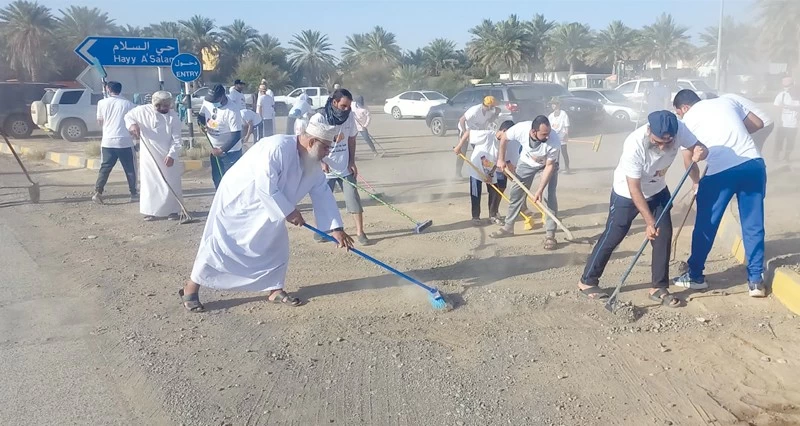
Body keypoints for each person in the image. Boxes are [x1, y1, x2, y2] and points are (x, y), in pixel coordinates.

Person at [179, 122, 355, 312]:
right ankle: (191, 288)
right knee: (221, 243)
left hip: (272, 206)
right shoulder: (277, 147)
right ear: (312, 141)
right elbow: (265, 185)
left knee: (275, 244)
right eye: (326, 147)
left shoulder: (311, 161)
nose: (328, 152)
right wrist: (289, 211)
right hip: (242, 201)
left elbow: (321, 191)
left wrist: (335, 229)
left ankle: (274, 290)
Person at [577, 111, 707, 305]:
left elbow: (699, 147)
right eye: (657, 142)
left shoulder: (680, 128)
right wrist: (649, 222)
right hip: (627, 193)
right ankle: (587, 281)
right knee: (614, 234)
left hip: (658, 189)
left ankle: (659, 287)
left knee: (663, 235)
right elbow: (634, 189)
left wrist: (701, 151)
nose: (663, 146)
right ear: (648, 131)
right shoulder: (634, 144)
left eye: (668, 142)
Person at [672, 90, 768, 297]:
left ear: (684, 108)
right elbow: (758, 123)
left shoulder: (687, 120)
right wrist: (733, 135)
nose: (680, 116)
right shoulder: (726, 101)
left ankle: (695, 275)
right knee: (753, 224)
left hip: (720, 173)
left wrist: (696, 183)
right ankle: (756, 281)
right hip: (753, 164)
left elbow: (689, 159)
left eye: (679, 112)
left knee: (706, 224)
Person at [309, 88, 372, 246]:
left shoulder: (349, 116)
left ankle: (360, 232)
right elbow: (312, 143)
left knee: (353, 199)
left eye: (348, 106)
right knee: (321, 201)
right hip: (325, 169)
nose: (345, 109)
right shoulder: (319, 118)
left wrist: (352, 162)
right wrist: (322, 162)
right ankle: (320, 230)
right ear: (334, 102)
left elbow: (351, 140)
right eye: (343, 106)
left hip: (344, 167)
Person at [491, 116, 561, 250]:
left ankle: (550, 234)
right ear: (533, 132)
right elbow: (504, 138)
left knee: (548, 196)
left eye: (549, 132)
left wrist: (540, 189)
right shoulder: (521, 128)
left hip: (547, 165)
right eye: (544, 134)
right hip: (527, 163)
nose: (548, 136)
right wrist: (501, 159)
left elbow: (549, 166)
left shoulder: (554, 141)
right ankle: (508, 227)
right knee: (515, 193)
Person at [125, 91, 184, 221]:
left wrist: (172, 155)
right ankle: (151, 211)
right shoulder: (142, 111)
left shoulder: (174, 117)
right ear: (153, 103)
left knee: (170, 182)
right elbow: (128, 117)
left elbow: (177, 140)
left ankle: (173, 211)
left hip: (167, 157)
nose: (162, 108)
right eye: (159, 105)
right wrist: (132, 125)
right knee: (150, 183)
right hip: (149, 157)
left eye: (165, 106)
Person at [455, 120, 515, 226]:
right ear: (504, 131)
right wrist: (459, 146)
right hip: (476, 169)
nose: (508, 140)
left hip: (489, 171)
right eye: (508, 136)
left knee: (494, 193)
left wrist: (491, 174)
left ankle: (493, 215)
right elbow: (468, 132)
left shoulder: (503, 145)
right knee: (475, 193)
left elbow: (498, 162)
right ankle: (475, 217)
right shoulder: (488, 135)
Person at [93, 81, 137, 204]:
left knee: (105, 168)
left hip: (107, 141)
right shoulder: (128, 104)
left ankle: (98, 191)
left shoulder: (101, 103)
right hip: (124, 141)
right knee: (130, 169)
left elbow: (100, 122)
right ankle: (133, 193)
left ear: (108, 89)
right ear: (120, 89)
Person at [197, 84, 243, 189]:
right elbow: (201, 117)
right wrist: (201, 125)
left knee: (231, 182)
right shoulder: (208, 102)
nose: (212, 102)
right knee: (217, 179)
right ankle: (220, 202)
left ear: (222, 96)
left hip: (230, 153)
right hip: (214, 150)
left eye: (215, 100)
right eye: (211, 100)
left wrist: (221, 150)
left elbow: (236, 135)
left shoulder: (232, 110)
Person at [455, 96, 500, 177]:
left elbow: (489, 121)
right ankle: (458, 172)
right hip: (465, 129)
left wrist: (496, 114)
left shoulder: (489, 112)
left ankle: (483, 170)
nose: (494, 107)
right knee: (462, 151)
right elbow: (462, 120)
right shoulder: (475, 110)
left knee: (480, 150)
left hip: (476, 131)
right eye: (493, 106)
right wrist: (465, 134)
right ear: (489, 105)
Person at [773, 76, 799, 162]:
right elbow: (776, 107)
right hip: (782, 123)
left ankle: (786, 157)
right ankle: (776, 157)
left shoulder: (798, 95)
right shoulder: (782, 95)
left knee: (790, 141)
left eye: (788, 85)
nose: (786, 88)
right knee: (779, 140)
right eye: (785, 86)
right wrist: (778, 119)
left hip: (793, 123)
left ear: (793, 84)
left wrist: (794, 108)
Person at [548, 97, 571, 173]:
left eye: (554, 104)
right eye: (552, 104)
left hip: (562, 136)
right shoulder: (551, 116)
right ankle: (555, 168)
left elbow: (566, 125)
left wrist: (566, 135)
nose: (553, 106)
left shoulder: (563, 114)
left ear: (558, 105)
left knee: (564, 152)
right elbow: (549, 127)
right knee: (555, 153)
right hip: (554, 137)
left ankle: (567, 168)